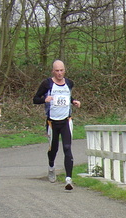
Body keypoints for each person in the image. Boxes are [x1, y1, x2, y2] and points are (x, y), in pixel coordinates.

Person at [33, 60, 81, 190]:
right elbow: (35, 99)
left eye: (61, 70)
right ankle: (51, 167)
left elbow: (66, 96)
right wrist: (44, 99)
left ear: (65, 70)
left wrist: (74, 101)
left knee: (67, 147)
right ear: (53, 71)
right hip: (52, 122)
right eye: (57, 71)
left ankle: (68, 179)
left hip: (66, 121)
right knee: (53, 148)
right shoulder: (47, 84)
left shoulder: (69, 83)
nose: (59, 73)